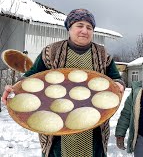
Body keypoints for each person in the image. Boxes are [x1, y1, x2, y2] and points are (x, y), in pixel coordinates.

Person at [1, 8, 125, 157]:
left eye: (89, 27)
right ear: (69, 28)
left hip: (93, 124)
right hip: (56, 124)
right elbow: (31, 77)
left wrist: (118, 85)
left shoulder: (102, 54)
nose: (84, 31)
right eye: (79, 25)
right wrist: (15, 89)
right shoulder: (51, 51)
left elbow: (115, 78)